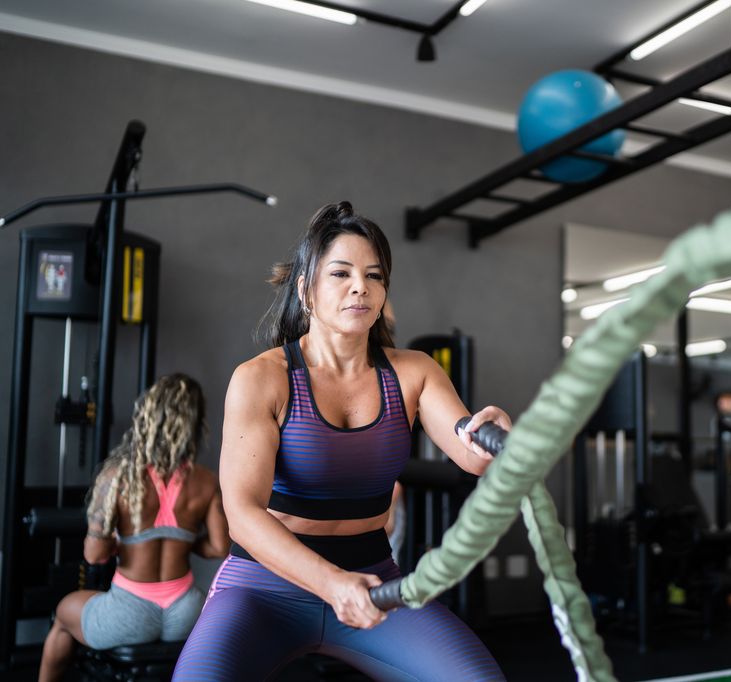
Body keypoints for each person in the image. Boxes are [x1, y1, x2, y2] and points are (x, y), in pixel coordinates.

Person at [173, 202, 509, 680]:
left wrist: (496, 435)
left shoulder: (414, 372)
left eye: (374, 276)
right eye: (341, 273)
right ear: (305, 289)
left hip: (374, 583)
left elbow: (472, 455)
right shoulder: (262, 378)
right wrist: (332, 584)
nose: (360, 287)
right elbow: (242, 514)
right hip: (264, 588)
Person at [39, 374, 229, 682]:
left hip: (129, 611)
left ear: (148, 416)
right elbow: (220, 547)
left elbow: (94, 555)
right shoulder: (206, 481)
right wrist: (183, 541)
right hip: (186, 611)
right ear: (195, 424)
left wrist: (125, 543)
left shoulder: (117, 477)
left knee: (63, 614)